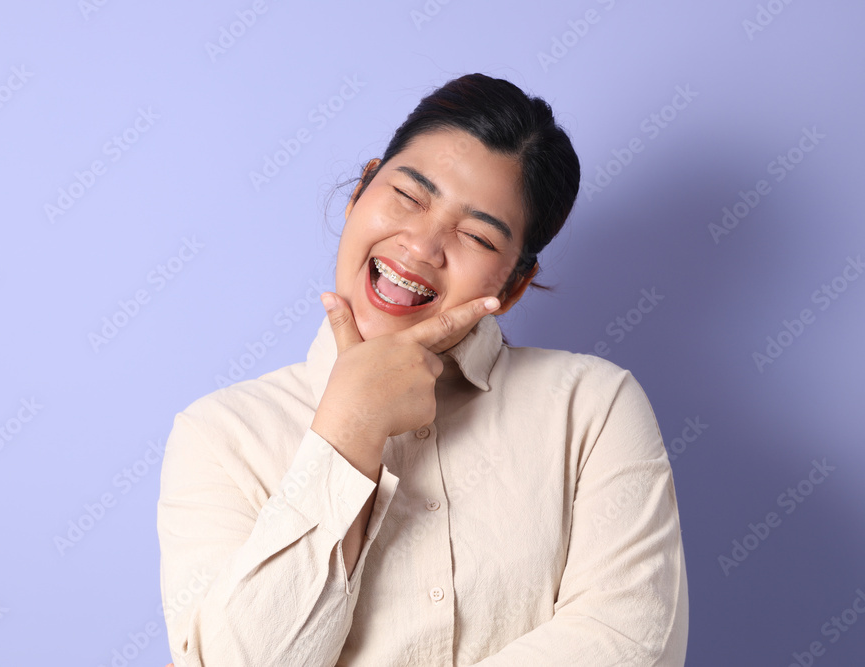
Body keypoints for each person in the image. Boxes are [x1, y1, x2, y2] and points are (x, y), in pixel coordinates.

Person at [157, 72, 688, 666]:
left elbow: (630, 640)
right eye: (409, 196)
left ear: (513, 286)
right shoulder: (220, 434)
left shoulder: (592, 407)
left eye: (477, 236)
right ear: (361, 189)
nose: (421, 246)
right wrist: (348, 431)